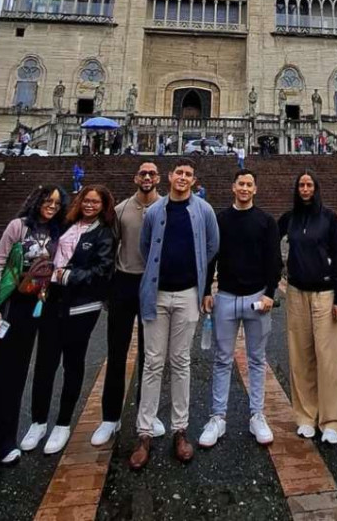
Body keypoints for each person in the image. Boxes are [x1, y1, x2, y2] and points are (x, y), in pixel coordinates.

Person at [0, 184, 67, 479]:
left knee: (18, 375)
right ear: (36, 201)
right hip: (11, 308)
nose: (51, 206)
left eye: (57, 203)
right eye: (47, 201)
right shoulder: (18, 226)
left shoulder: (57, 231)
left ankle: (6, 442)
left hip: (36, 308)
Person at [129, 159, 219, 470]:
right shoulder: (155, 211)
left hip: (187, 295)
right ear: (169, 177)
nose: (183, 178)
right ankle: (144, 432)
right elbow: (145, 247)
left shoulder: (204, 210)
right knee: (153, 361)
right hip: (157, 294)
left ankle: (180, 430)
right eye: (178, 173)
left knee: (181, 361)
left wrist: (198, 277)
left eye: (188, 174)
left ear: (195, 180)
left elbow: (212, 246)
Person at [20, 185, 117, 456]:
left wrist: (68, 277)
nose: (89, 205)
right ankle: (38, 421)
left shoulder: (104, 233)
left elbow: (102, 270)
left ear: (104, 205)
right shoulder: (65, 225)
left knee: (73, 363)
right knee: (44, 363)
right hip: (52, 301)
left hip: (82, 306)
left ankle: (63, 423)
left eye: (96, 202)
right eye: (86, 200)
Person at [198, 170, 282, 448]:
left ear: (255, 189)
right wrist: (206, 292)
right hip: (225, 296)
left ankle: (257, 414)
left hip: (257, 296)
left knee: (257, 360)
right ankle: (217, 417)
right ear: (233, 187)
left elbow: (274, 260)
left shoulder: (266, 221)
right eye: (241, 184)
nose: (244, 188)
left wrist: (270, 293)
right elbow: (210, 257)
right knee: (222, 359)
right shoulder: (220, 219)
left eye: (249, 184)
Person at [91, 162, 165, 447]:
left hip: (154, 286)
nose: (147, 178)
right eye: (142, 174)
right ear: (136, 178)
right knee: (116, 352)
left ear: (158, 178)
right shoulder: (121, 209)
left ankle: (148, 414)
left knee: (152, 356)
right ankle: (110, 417)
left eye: (151, 174)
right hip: (124, 283)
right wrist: (107, 288)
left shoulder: (167, 208)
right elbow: (110, 250)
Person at [279, 171, 337, 444]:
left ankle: (332, 420)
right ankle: (306, 415)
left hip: (325, 293)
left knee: (328, 359)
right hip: (296, 291)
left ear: (316, 188)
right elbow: (268, 238)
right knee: (300, 356)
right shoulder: (289, 218)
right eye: (301, 185)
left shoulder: (329, 218)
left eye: (309, 185)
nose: (305, 189)